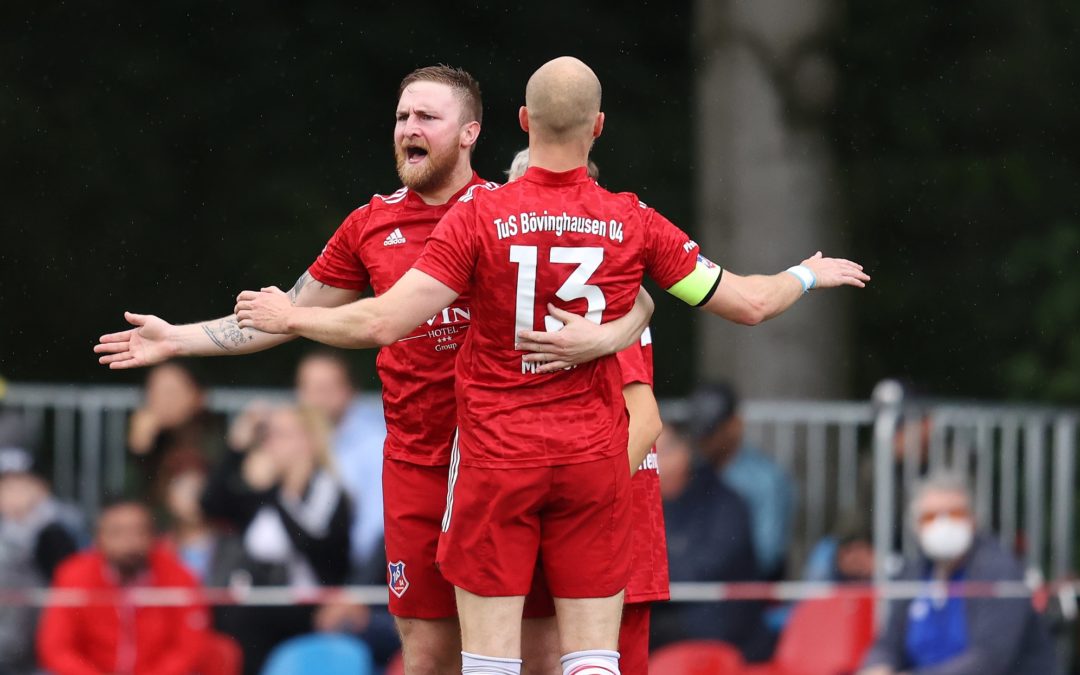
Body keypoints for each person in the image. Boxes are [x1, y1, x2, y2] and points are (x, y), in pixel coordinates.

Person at [234, 56, 869, 674]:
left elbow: (383, 321)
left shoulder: (478, 216)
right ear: (598, 127)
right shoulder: (633, 221)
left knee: (488, 659)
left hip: (498, 456)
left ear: (521, 122)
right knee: (591, 658)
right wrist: (807, 273)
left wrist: (291, 317)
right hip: (590, 463)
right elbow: (748, 304)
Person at [94, 64, 647, 675]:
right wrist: (177, 339)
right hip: (418, 464)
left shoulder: (510, 214)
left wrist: (618, 333)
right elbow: (283, 316)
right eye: (402, 117)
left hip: (507, 460)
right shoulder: (370, 224)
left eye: (427, 118)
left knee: (539, 654)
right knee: (430, 655)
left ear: (470, 133)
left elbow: (631, 292)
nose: (409, 128)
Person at [508, 151, 665, 675]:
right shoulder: (528, 300)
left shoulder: (595, 299)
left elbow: (644, 421)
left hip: (599, 522)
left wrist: (571, 506)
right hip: (563, 515)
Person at [201, 404, 351, 674]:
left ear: (309, 441)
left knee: (245, 621)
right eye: (267, 436)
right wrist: (236, 449)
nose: (270, 444)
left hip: (309, 604)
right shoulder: (263, 490)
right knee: (222, 618)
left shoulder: (328, 491)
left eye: (281, 435)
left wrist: (277, 493)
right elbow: (211, 505)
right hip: (258, 598)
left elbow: (318, 553)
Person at [859, 473, 1058, 675]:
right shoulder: (913, 572)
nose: (943, 525)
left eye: (955, 514)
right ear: (916, 525)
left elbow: (989, 659)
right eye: (930, 517)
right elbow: (887, 644)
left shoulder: (1000, 572)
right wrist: (877, 667)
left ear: (972, 519)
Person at [37, 500, 211, 675]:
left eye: (138, 532)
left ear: (153, 537)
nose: (129, 542)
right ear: (99, 538)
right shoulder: (73, 576)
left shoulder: (179, 576)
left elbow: (189, 647)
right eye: (117, 533)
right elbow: (56, 648)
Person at [649, 425, 768, 659]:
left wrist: (650, 578)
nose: (647, 464)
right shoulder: (643, 503)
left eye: (655, 454)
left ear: (682, 454)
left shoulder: (724, 503)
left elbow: (706, 566)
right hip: (670, 612)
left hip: (720, 623)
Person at [685, 381, 796, 580]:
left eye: (711, 430)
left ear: (735, 424)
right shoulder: (692, 474)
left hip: (746, 591)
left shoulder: (767, 480)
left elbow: (767, 555)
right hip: (701, 584)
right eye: (699, 430)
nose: (702, 440)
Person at [294, 349, 386, 577]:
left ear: (349, 391)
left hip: (357, 577)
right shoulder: (293, 440)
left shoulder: (375, 443)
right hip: (308, 575)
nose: (315, 399)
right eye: (308, 389)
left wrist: (356, 591)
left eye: (324, 389)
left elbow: (376, 529)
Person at [0, 447, 81, 675]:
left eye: (22, 485)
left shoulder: (58, 530)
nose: (13, 494)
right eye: (6, 487)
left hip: (44, 650)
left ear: (41, 488)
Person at [127, 361, 226, 500]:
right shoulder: (142, 439)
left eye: (172, 391)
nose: (164, 400)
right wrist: (139, 449)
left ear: (199, 396)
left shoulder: (218, 439)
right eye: (155, 391)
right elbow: (127, 494)